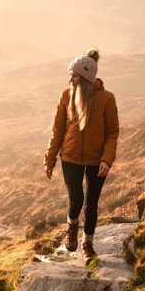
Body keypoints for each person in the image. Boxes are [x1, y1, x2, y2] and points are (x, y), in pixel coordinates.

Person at [44, 48, 119, 262]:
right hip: (70, 158)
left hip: (97, 160)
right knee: (76, 200)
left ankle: (87, 243)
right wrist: (49, 160)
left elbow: (112, 132)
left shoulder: (106, 99)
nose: (70, 79)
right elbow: (57, 130)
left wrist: (106, 159)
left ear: (85, 78)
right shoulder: (66, 96)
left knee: (91, 204)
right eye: (70, 74)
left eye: (74, 76)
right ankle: (71, 226)